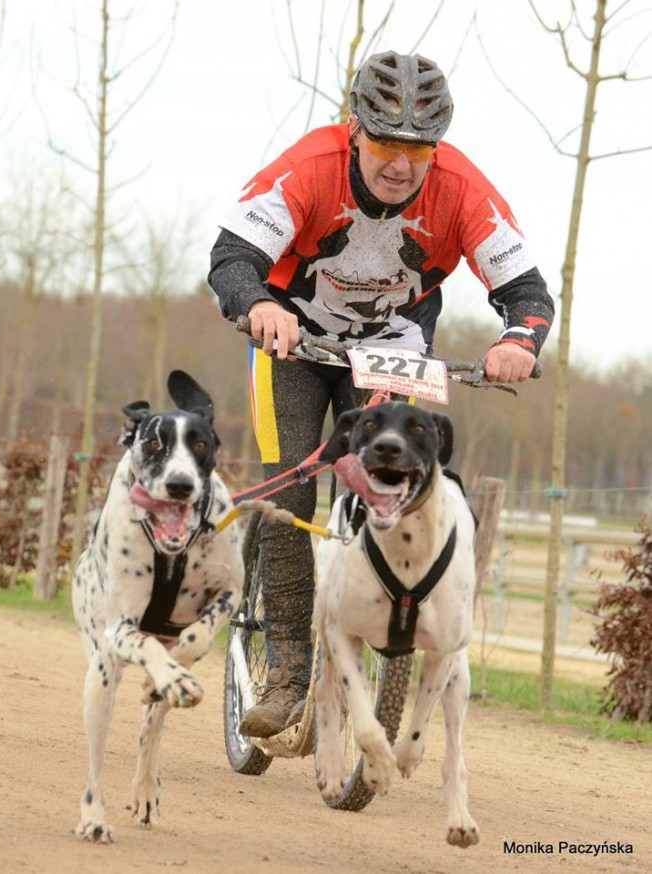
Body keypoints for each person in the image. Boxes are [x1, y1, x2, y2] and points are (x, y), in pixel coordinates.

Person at [208, 50, 554, 737]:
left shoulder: (462, 189)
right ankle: (286, 668)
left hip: (392, 348)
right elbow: (232, 257)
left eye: (419, 150)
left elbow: (527, 292)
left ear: (437, 148)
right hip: (295, 339)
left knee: (387, 480)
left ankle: (377, 627)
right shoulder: (309, 167)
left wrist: (518, 340)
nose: (401, 164)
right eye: (387, 144)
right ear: (356, 131)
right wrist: (259, 305)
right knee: (292, 486)